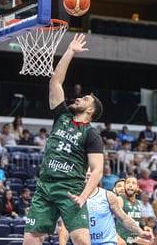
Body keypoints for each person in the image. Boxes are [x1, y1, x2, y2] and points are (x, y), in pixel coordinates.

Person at [23, 33, 105, 245]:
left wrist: (84, 196)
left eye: (84, 99)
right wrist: (70, 52)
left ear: (89, 110)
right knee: (31, 238)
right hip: (45, 186)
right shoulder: (62, 116)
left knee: (80, 238)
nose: (78, 98)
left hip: (71, 188)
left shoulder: (92, 134)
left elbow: (97, 170)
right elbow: (55, 82)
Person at [85, 169, 154, 244]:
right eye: (119, 186)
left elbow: (129, 219)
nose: (122, 188)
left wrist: (142, 228)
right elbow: (116, 220)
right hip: (117, 238)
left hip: (130, 237)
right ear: (114, 189)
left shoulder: (136, 203)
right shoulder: (116, 200)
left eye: (123, 186)